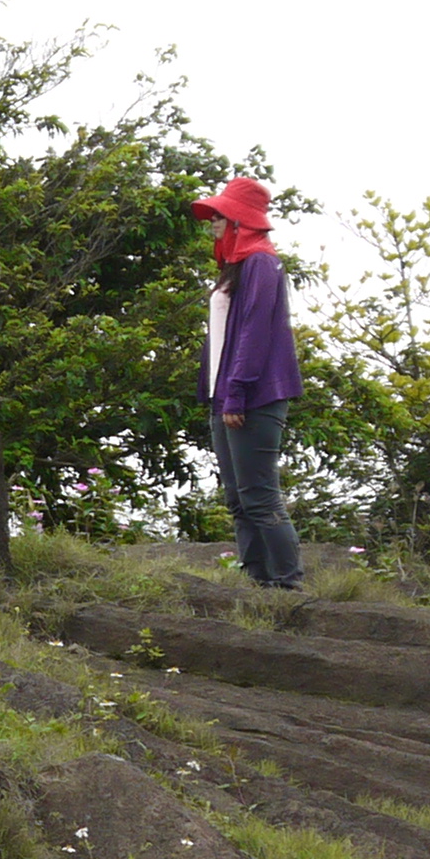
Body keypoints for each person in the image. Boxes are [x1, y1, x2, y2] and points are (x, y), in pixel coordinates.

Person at [188, 174, 306, 590]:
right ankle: (258, 582)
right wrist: (221, 395)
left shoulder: (261, 263)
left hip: (252, 395)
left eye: (219, 216)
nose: (213, 223)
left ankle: (289, 584)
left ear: (240, 220)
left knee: (259, 495)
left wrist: (236, 393)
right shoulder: (236, 268)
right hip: (228, 394)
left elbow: (255, 333)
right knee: (238, 498)